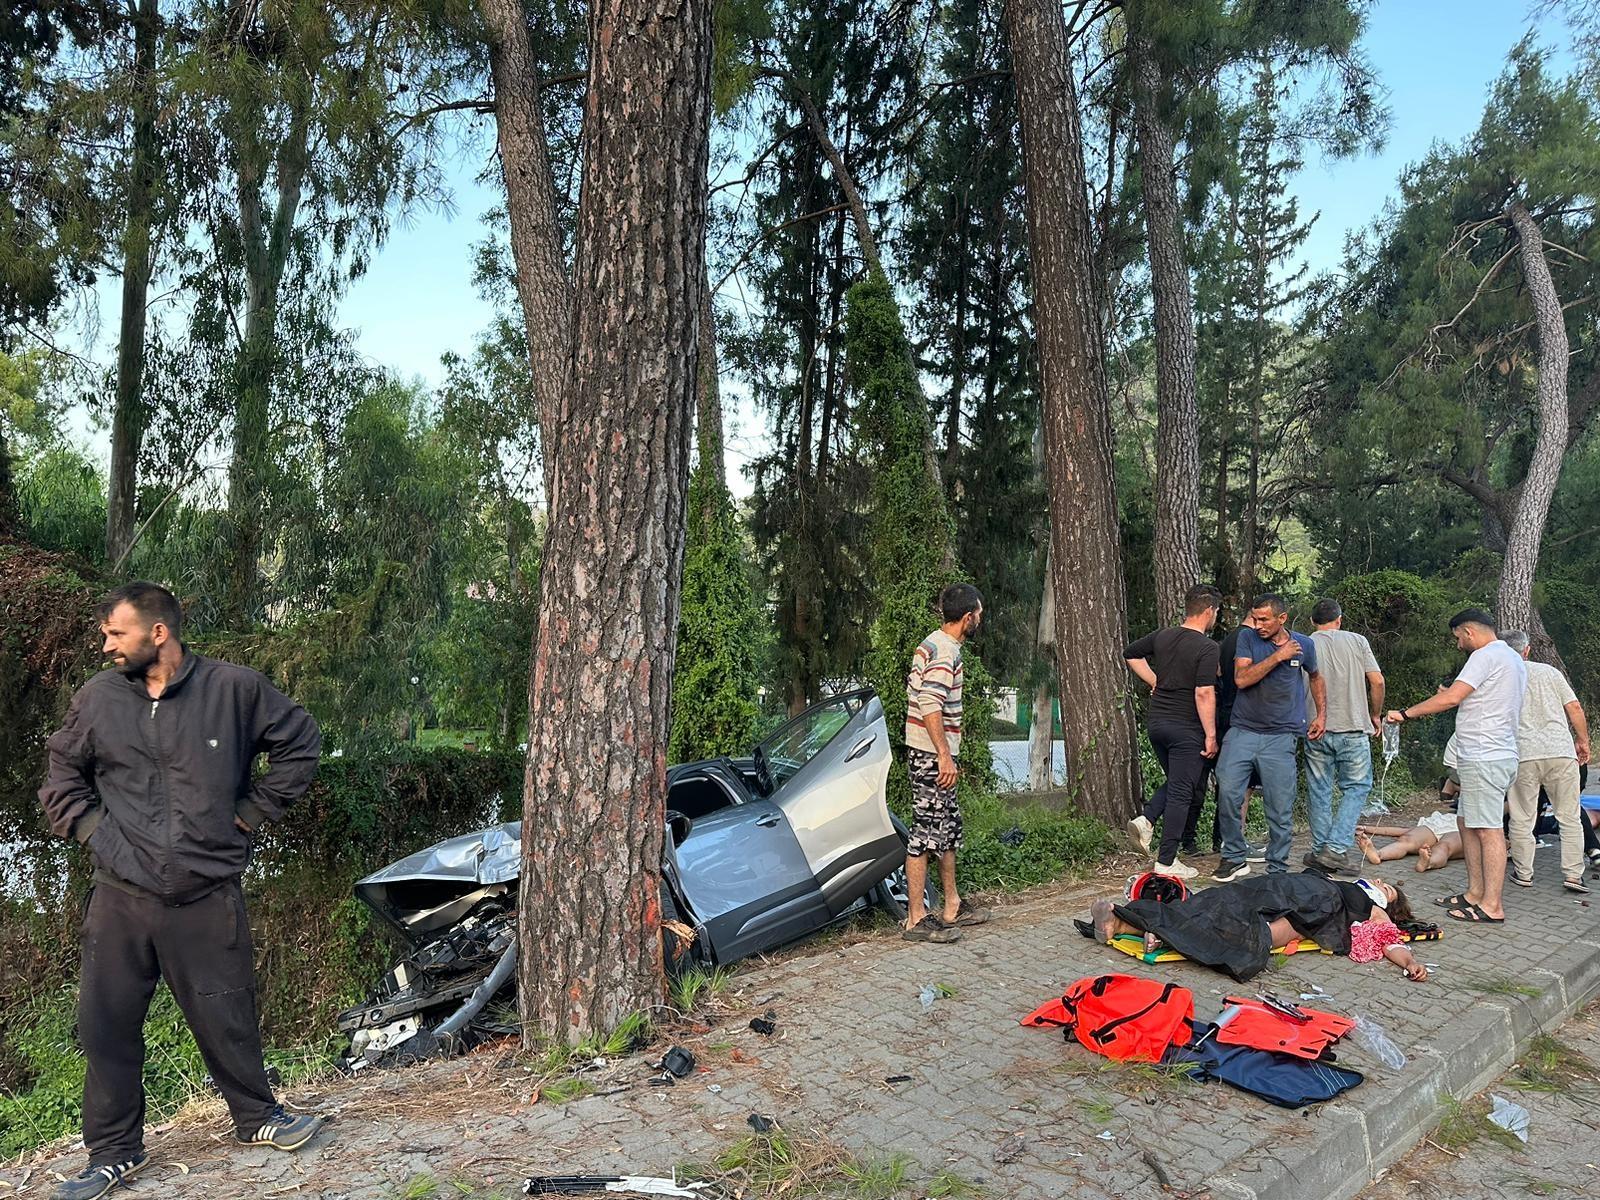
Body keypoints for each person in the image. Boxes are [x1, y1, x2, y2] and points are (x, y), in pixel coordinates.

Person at [39, 583, 326, 1200]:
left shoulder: (235, 690)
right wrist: (97, 833)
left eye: (118, 633)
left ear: (158, 632)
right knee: (106, 1025)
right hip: (120, 896)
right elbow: (62, 775)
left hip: (205, 891)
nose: (107, 644)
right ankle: (114, 1153)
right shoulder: (98, 700)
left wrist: (249, 812)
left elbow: (301, 745)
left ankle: (256, 1119)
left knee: (227, 1012)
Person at [1384, 608, 1525, 924]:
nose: (1458, 644)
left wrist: (1404, 714)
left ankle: (1492, 905)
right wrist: (1453, 696)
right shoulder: (1511, 657)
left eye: (1458, 637)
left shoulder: (1484, 656)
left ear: (1470, 631)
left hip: (1486, 756)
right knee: (1466, 823)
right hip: (1492, 754)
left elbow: (1451, 699)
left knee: (1489, 830)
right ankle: (1475, 892)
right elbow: (1478, 699)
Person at [1087, 872, 1427, 983]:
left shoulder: (1375, 911)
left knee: (1254, 926)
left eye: (1388, 889)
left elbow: (1389, 942)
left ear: (1390, 905)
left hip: (1319, 905)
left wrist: (1409, 963)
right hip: (1296, 888)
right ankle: (1127, 923)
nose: (1380, 883)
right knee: (1226, 903)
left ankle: (1131, 926)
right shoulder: (1344, 881)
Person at [1213, 595, 1327, 881]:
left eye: (1264, 619)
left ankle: (1277, 868)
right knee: (1227, 790)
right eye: (1255, 618)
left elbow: (1315, 676)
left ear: (1282, 618)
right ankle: (1234, 856)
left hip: (1282, 735)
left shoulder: (1305, 645)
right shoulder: (1248, 639)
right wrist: (1279, 656)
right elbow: (1241, 679)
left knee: (1279, 806)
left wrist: (1322, 714)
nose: (1258, 624)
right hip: (1243, 731)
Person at [901, 582, 990, 942]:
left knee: (948, 828)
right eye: (979, 615)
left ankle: (952, 904)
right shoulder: (945, 651)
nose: (980, 620)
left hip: (934, 752)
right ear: (967, 617)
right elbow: (929, 702)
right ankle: (916, 918)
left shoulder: (934, 643)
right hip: (929, 754)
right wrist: (942, 755)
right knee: (924, 834)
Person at [1123, 584, 1223, 879]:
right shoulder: (1207, 647)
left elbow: (1131, 654)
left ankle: (1148, 818)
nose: (1215, 616)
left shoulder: (1163, 635)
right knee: (1182, 790)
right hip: (1186, 727)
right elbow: (1204, 693)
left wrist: (1156, 682)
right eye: (1216, 611)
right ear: (1208, 611)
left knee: (1180, 782)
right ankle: (1166, 861)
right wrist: (1211, 734)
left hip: (1158, 724)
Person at [1502, 630, 1592, 895]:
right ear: (1527, 650)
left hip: (1523, 754)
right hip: (1560, 752)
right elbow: (1574, 707)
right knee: (1569, 816)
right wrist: (1583, 740)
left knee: (1522, 817)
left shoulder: (1500, 678)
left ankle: (1524, 873)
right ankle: (1574, 875)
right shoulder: (1549, 672)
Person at [1303, 599, 1385, 873]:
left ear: (1313, 622)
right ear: (1339, 619)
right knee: (1357, 787)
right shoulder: (1358, 641)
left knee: (1320, 790)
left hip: (1315, 728)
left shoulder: (1305, 642)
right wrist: (1376, 714)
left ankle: (1320, 851)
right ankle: (1336, 849)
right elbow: (1377, 681)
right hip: (1353, 727)